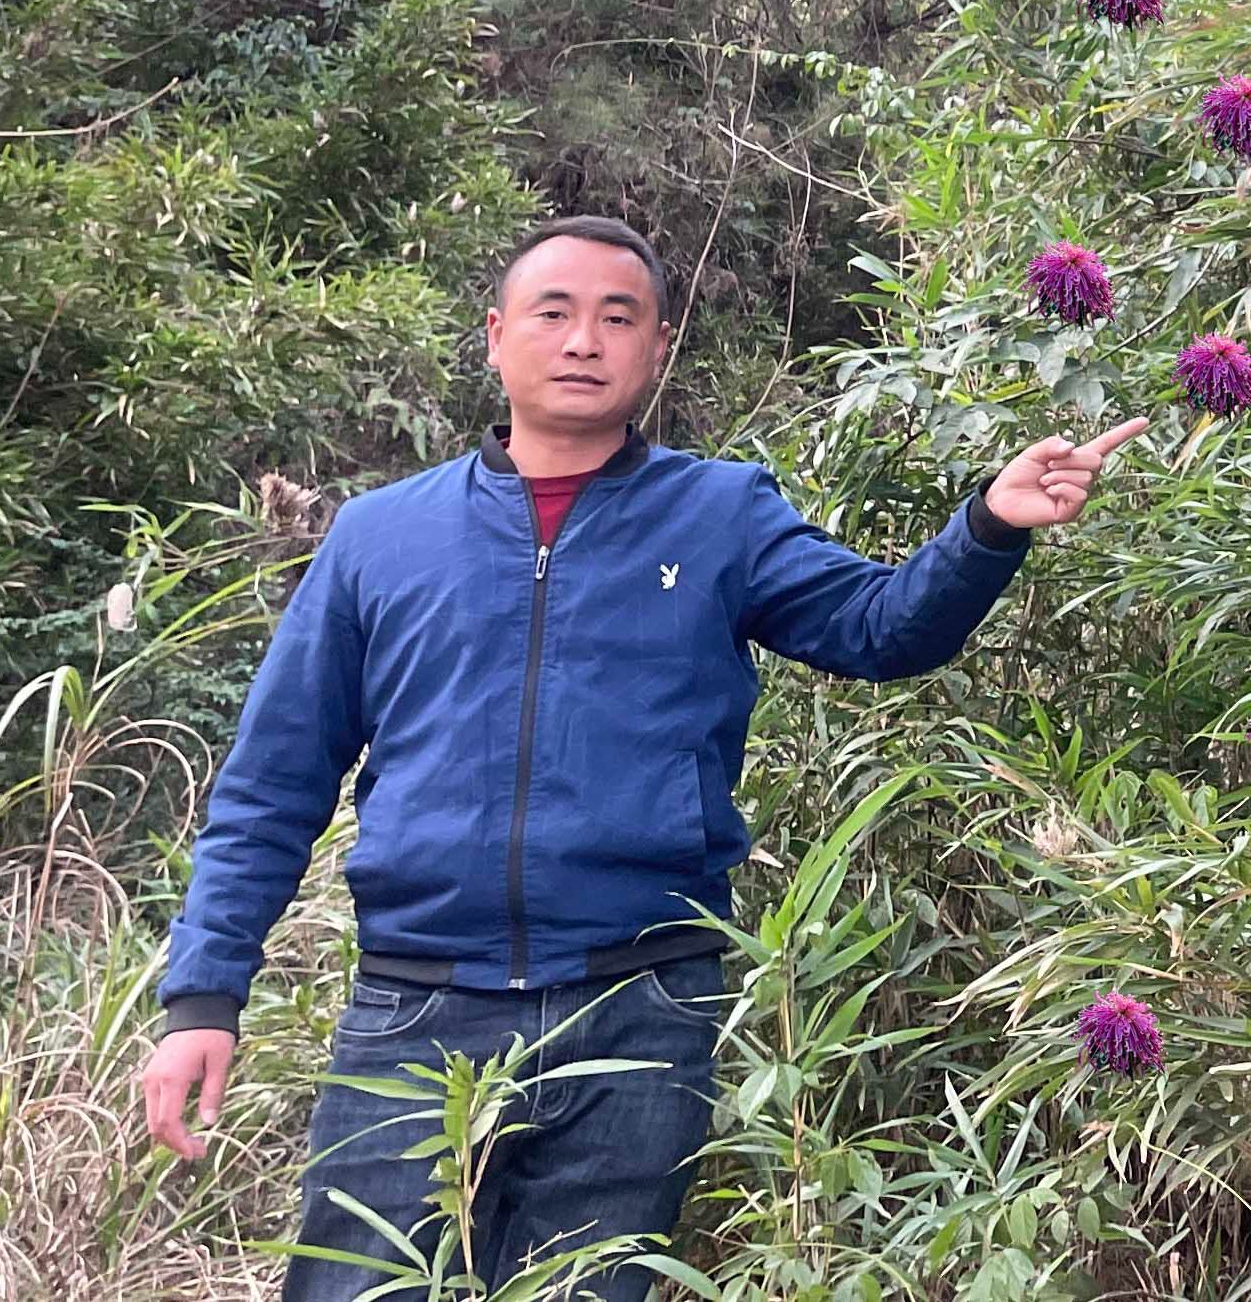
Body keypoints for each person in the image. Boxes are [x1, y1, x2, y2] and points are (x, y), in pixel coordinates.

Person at [134, 215, 1145, 1299]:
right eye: (554, 313)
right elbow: (272, 786)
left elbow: (879, 628)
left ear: (658, 348)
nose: (584, 341)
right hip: (413, 1012)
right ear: (495, 336)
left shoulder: (719, 513)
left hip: (639, 1008)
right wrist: (203, 998)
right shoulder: (381, 537)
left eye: (619, 319)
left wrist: (988, 527)